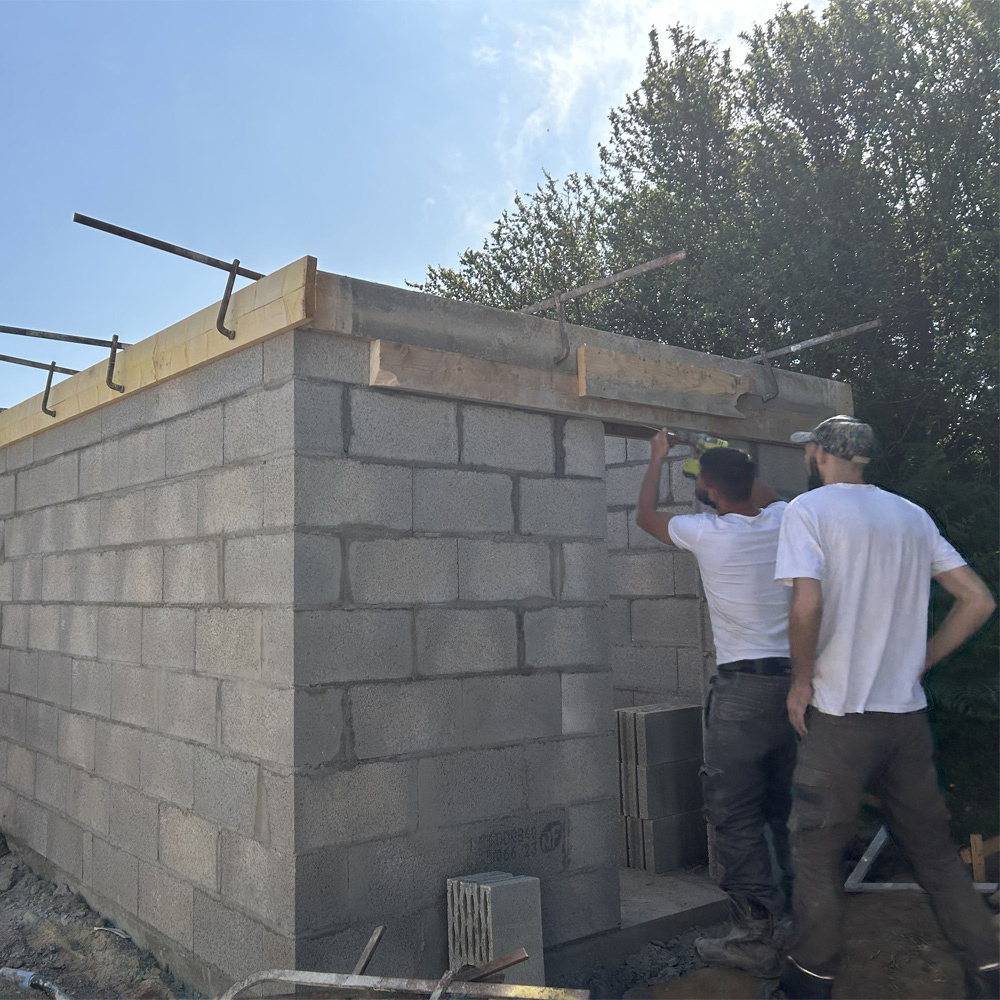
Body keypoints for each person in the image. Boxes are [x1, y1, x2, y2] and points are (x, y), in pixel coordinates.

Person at [773, 414, 998, 1000]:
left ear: (820, 453)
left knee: (817, 851)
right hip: (905, 719)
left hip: (841, 718)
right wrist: (920, 661)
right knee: (935, 853)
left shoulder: (809, 511)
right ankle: (989, 971)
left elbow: (806, 605)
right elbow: (977, 600)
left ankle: (811, 981)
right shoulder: (911, 516)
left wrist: (801, 682)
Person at [637, 429, 797, 978]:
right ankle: (797, 923)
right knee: (782, 807)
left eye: (702, 481)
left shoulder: (706, 533)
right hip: (797, 688)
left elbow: (645, 516)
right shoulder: (783, 521)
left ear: (706, 490)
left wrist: (659, 457)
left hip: (743, 694)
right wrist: (720, 457)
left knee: (733, 813)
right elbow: (767, 493)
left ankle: (757, 936)